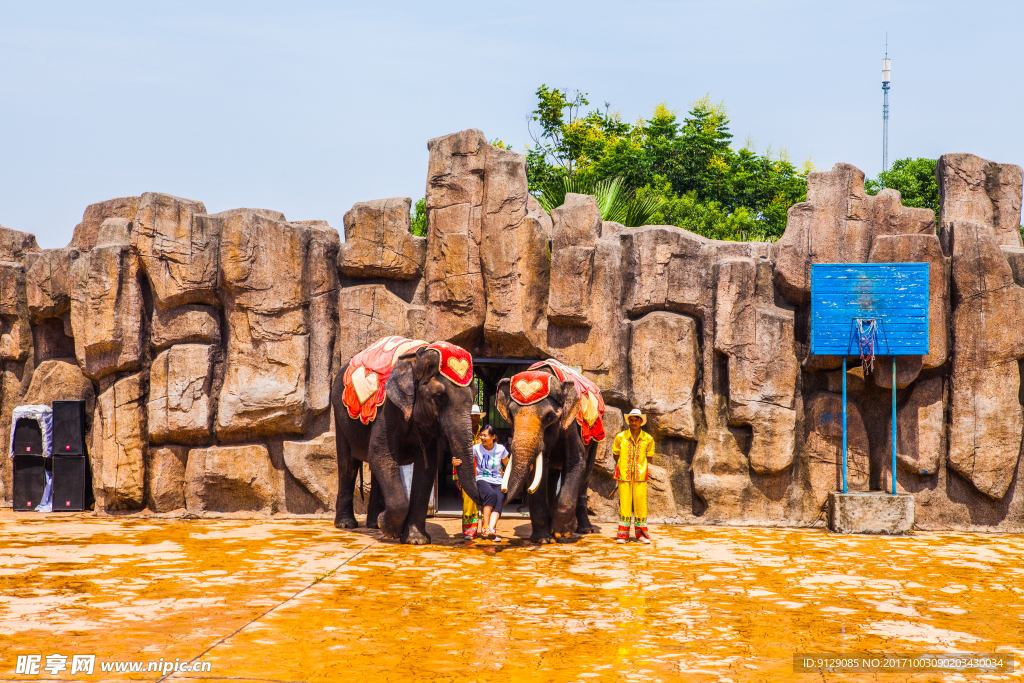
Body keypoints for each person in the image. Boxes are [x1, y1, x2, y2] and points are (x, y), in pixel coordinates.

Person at [612, 408, 655, 544]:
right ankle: (622, 536)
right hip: (624, 475)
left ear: (641, 421)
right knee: (624, 504)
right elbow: (615, 455)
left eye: (636, 420)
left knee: (640, 505)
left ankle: (641, 535)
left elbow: (649, 458)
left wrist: (638, 467)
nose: (633, 422)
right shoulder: (620, 437)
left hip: (640, 476)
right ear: (628, 421)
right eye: (631, 419)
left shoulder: (648, 439)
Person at [452, 404, 484, 539]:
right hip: (467, 472)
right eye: (471, 416)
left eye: (476, 416)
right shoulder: (462, 433)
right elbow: (456, 454)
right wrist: (456, 476)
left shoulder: (485, 432)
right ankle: (470, 530)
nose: (474, 418)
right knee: (468, 501)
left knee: (486, 499)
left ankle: (487, 529)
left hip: (484, 471)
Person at [473, 424, 509, 541]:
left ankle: (491, 530)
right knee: (491, 494)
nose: (482, 438)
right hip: (482, 479)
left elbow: (508, 464)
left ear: (493, 436)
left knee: (499, 498)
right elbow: (464, 458)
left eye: (485, 435)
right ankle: (485, 527)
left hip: (498, 480)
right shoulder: (476, 448)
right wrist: (455, 461)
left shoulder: (500, 449)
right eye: (481, 435)